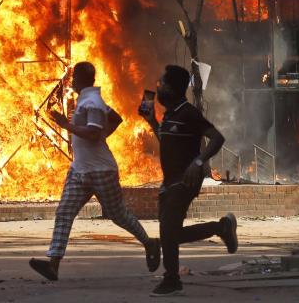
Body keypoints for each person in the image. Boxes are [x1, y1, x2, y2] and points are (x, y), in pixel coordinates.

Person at [29, 62, 161, 281]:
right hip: (80, 170)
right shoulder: (89, 99)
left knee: (118, 215)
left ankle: (150, 243)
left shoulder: (92, 102)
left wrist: (66, 125)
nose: (71, 82)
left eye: (73, 78)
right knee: (64, 212)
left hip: (101, 171)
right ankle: (53, 264)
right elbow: (116, 119)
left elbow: (91, 133)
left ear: (79, 79)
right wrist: (102, 136)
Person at [139, 64, 238, 297]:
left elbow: (217, 138)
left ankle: (172, 279)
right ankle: (221, 227)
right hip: (169, 181)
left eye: (162, 83)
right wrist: (153, 122)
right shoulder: (171, 114)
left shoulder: (188, 113)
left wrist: (198, 162)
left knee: (167, 230)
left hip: (185, 181)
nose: (158, 87)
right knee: (170, 235)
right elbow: (169, 142)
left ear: (172, 88)